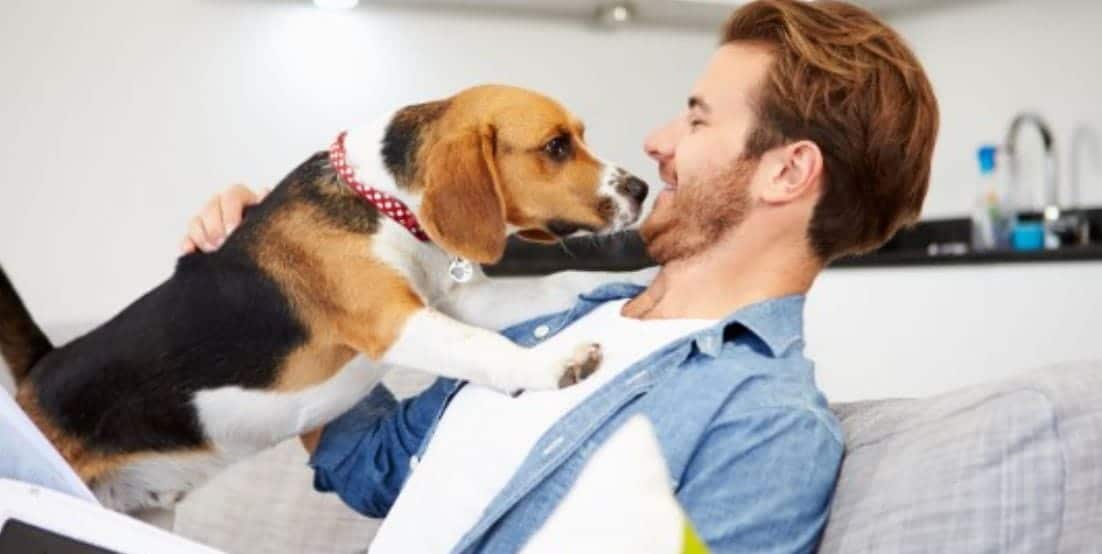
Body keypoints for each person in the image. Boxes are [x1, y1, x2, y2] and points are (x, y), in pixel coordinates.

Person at [182, 0, 938, 551]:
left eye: (699, 119)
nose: (656, 142)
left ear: (787, 171)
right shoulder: (572, 320)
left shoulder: (766, 426)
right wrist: (284, 282)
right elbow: (376, 465)